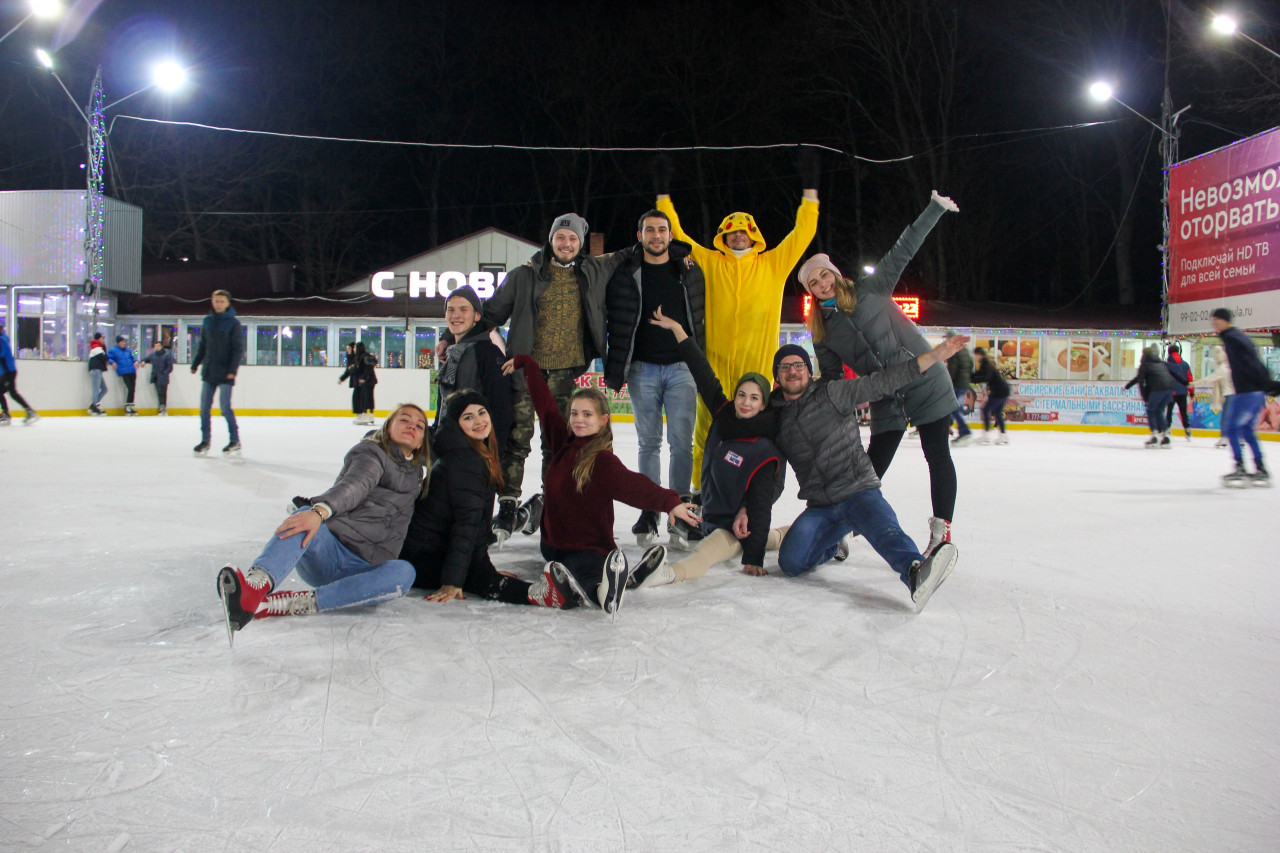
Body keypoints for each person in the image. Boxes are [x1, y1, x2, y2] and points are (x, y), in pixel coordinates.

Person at [802, 190, 961, 556]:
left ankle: (941, 532)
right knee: (869, 469)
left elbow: (904, 248)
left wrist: (934, 209)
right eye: (815, 283)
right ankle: (838, 530)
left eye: (825, 275)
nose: (823, 284)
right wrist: (825, 409)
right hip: (885, 395)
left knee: (937, 455)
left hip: (925, 380)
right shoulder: (822, 331)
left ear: (834, 273)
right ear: (811, 291)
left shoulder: (871, 289)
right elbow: (833, 379)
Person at [655, 150, 820, 494]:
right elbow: (676, 233)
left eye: (744, 231)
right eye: (732, 232)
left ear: (753, 235)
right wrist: (662, 193)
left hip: (755, 368)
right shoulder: (710, 262)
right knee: (706, 432)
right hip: (714, 366)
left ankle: (749, 495)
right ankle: (701, 493)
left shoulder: (773, 264)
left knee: (755, 435)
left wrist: (810, 190)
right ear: (723, 237)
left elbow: (803, 233)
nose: (738, 236)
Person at [769, 335, 968, 612]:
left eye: (799, 365)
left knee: (886, 532)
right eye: (785, 367)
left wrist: (935, 356)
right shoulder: (776, 419)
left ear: (809, 370)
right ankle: (833, 545)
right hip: (820, 506)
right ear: (777, 375)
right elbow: (771, 472)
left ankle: (915, 571)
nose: (793, 371)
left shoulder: (833, 392)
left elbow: (884, 382)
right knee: (790, 563)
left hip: (858, 492)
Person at [466, 213, 631, 541]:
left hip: (565, 374)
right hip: (525, 373)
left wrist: (680, 253)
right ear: (551, 239)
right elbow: (490, 314)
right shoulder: (524, 275)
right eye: (561, 237)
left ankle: (552, 501)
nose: (566, 244)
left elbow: (633, 252)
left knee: (556, 444)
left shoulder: (592, 270)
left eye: (572, 239)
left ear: (580, 243)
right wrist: (452, 338)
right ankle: (508, 503)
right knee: (517, 439)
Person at [502, 353, 702, 614]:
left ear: (603, 420)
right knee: (575, 569)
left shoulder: (602, 461)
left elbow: (635, 486)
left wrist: (670, 502)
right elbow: (545, 405)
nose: (579, 419)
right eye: (574, 413)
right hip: (553, 546)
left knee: (587, 573)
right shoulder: (563, 443)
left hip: (588, 549)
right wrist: (527, 364)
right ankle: (621, 579)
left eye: (587, 414)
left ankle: (604, 592)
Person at [215, 404, 431, 646]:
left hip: (365, 572)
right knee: (305, 516)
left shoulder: (417, 475)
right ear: (388, 427)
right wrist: (319, 511)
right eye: (404, 420)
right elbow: (354, 486)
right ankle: (255, 588)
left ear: (422, 442)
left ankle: (285, 604)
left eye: (419, 425)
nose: (412, 426)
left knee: (405, 573)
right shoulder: (372, 453)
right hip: (330, 552)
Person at [644, 307, 788, 583]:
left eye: (754, 398)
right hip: (714, 516)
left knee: (705, 553)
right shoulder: (724, 414)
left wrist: (754, 558)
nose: (746, 402)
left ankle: (666, 575)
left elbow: (760, 505)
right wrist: (678, 330)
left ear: (763, 404)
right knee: (776, 538)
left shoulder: (763, 448)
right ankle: (794, 533)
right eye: (742, 395)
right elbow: (702, 373)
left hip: (734, 526)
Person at [605, 209, 706, 549]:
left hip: (682, 368)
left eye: (662, 229)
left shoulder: (688, 270)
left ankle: (682, 511)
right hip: (641, 369)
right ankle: (650, 509)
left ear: (670, 235)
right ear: (640, 236)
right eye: (650, 230)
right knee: (648, 443)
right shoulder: (625, 271)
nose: (656, 235)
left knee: (681, 444)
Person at [401, 390, 560, 607]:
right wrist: (453, 581)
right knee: (488, 583)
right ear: (456, 424)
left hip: (432, 553)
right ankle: (545, 594)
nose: (479, 421)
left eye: (482, 412)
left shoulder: (471, 452)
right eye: (468, 417)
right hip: (425, 559)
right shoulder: (465, 461)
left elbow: (476, 526)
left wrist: (483, 567)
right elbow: (465, 526)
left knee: (483, 575)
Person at [435, 285, 513, 451]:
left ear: (477, 315)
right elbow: (442, 406)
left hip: (476, 450)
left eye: (464, 309)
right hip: (448, 448)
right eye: (451, 310)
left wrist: (492, 454)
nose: (456, 315)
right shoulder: (452, 355)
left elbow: (502, 409)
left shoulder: (487, 353)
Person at [1211, 308, 1270, 484]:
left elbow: (1251, 363)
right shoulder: (1237, 337)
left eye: (1215, 320)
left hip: (1247, 392)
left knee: (1232, 428)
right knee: (1246, 430)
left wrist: (1259, 382)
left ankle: (1240, 468)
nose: (1213, 324)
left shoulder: (1233, 338)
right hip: (1254, 391)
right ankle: (1261, 468)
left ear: (1223, 320)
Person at [191, 289, 245, 456]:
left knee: (225, 408)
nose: (219, 304)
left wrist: (232, 370)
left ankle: (235, 440)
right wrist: (196, 363)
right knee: (204, 409)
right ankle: (205, 441)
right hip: (209, 371)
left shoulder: (233, 323)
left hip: (226, 373)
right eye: (216, 301)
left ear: (227, 303)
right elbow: (203, 345)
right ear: (212, 302)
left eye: (222, 301)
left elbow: (238, 349)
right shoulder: (207, 321)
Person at [1123, 346, 1179, 448]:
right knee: (1159, 411)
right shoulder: (1161, 363)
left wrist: (1145, 398)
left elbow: (1140, 382)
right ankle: (1166, 436)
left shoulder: (1144, 365)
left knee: (1151, 411)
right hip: (1170, 388)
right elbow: (1172, 374)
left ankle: (1155, 436)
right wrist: (1128, 386)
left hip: (1158, 388)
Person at [0, 322, 38, 425]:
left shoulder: (2, 340)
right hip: (6, 371)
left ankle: (9, 414)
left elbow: (1, 355)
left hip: (8, 371)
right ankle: (25, 411)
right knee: (11, 392)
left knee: (11, 392)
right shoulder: (3, 338)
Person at [971, 347, 1010, 444]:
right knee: (997, 412)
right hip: (1002, 390)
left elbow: (986, 377)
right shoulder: (985, 364)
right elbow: (978, 374)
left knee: (985, 410)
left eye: (975, 355)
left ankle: (987, 435)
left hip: (999, 391)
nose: (974, 357)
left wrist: (973, 379)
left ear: (979, 355)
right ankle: (1003, 436)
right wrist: (971, 377)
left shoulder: (986, 365)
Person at [946, 331, 975, 446]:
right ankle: (952, 429)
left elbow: (952, 370)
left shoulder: (954, 351)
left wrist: (948, 382)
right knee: (954, 408)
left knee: (954, 408)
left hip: (957, 384)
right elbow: (971, 365)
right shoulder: (965, 350)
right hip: (964, 383)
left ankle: (965, 431)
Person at [1203, 346, 1234, 449]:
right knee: (1234, 418)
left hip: (1231, 396)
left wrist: (1193, 384)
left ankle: (1225, 438)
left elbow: (1208, 379)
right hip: (1236, 395)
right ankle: (1238, 439)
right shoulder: (1232, 368)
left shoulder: (1223, 369)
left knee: (1226, 418)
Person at [1164, 343, 1194, 441]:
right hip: (1183, 392)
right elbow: (1190, 379)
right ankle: (1187, 429)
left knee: (1169, 411)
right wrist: (1191, 392)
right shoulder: (1185, 364)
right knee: (1183, 412)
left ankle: (1167, 429)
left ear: (1169, 353)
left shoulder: (1167, 365)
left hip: (1171, 391)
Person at [107, 335, 139, 416]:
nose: (124, 343)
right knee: (130, 388)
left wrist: (135, 361)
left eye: (125, 341)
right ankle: (128, 405)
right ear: (119, 342)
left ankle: (131, 405)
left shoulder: (127, 350)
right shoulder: (113, 350)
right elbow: (108, 357)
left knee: (133, 389)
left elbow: (131, 357)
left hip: (132, 370)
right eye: (123, 342)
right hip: (124, 371)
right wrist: (112, 362)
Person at [141, 340, 175, 415]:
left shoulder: (166, 355)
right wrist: (143, 361)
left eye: (158, 346)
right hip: (156, 376)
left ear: (162, 346)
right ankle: (162, 406)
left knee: (163, 392)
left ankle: (163, 406)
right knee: (159, 392)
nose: (156, 347)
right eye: (155, 346)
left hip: (163, 377)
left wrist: (164, 373)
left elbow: (170, 367)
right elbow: (146, 359)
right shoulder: (153, 354)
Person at [337, 342, 360, 419]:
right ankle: (359, 415)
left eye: (349, 348)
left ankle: (361, 415)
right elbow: (348, 371)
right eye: (346, 349)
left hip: (360, 380)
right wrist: (341, 379)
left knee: (358, 398)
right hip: (356, 381)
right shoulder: (350, 358)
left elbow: (355, 369)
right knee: (356, 398)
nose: (347, 350)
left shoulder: (356, 358)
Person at [87, 333, 108, 415]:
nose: (103, 340)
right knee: (96, 389)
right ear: (98, 339)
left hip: (98, 370)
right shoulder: (96, 346)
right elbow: (103, 357)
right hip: (96, 369)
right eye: (102, 338)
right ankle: (95, 406)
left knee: (104, 389)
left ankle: (93, 405)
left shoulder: (99, 347)